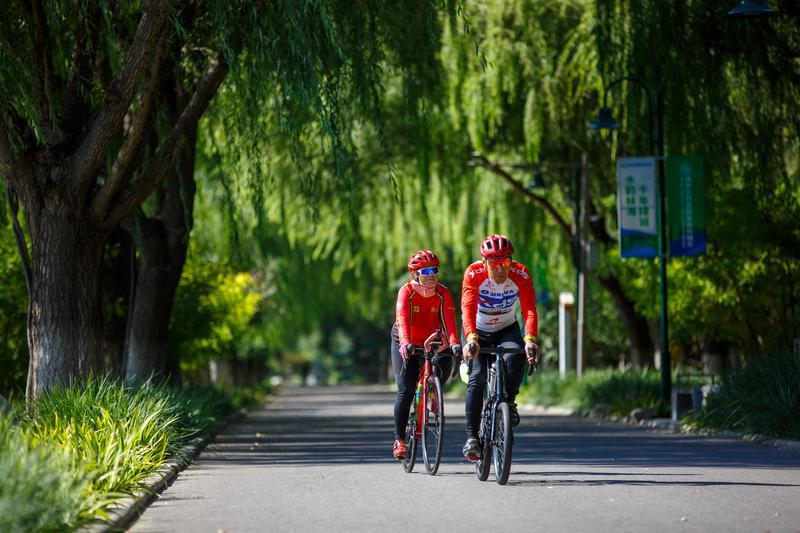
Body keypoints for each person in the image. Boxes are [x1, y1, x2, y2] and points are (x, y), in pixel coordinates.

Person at [460, 234, 540, 461]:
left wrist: (530, 339)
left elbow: (529, 310)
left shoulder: (520, 273)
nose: (501, 270)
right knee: (476, 378)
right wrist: (471, 338)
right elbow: (466, 309)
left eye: (506, 264)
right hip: (478, 332)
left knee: (515, 359)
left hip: (507, 328)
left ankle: (510, 402)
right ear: (484, 263)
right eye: (495, 265)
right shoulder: (473, 274)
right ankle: (472, 437)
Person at [391, 249, 462, 460]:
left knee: (444, 366)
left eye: (435, 270)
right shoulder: (406, 292)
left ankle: (433, 391)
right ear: (415, 274)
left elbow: (450, 321)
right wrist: (405, 344)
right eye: (426, 271)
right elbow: (402, 320)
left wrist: (455, 343)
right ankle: (400, 439)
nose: (431, 275)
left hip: (434, 339)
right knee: (406, 390)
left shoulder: (443, 293)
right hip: (406, 341)